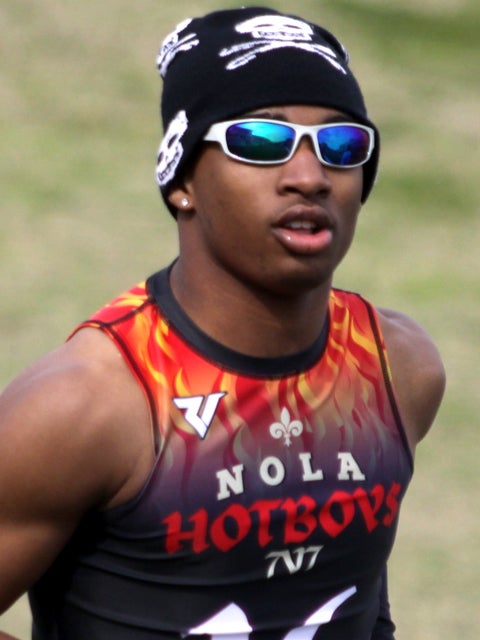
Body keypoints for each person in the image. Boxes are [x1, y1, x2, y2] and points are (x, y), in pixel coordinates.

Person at [0, 7, 445, 640]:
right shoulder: (89, 405)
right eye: (260, 141)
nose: (309, 178)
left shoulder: (398, 368)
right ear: (182, 178)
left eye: (341, 146)